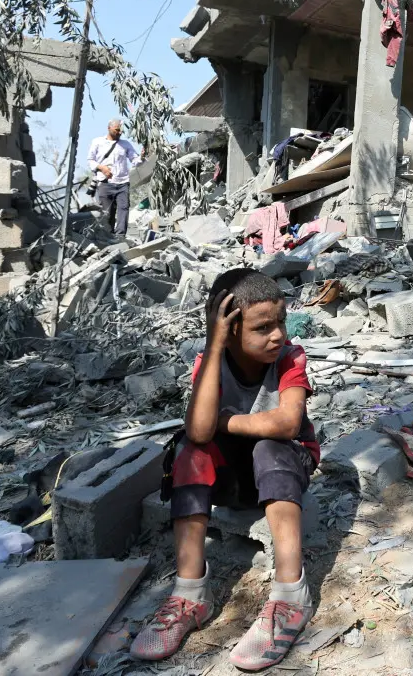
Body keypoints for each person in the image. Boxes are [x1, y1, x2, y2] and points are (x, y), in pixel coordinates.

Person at [132, 269, 318, 670]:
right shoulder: (210, 362)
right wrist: (213, 349)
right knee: (188, 450)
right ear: (230, 332)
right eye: (263, 327)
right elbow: (198, 431)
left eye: (281, 321)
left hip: (284, 467)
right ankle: (191, 593)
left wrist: (227, 421)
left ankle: (291, 596)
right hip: (233, 478)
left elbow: (286, 424)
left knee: (271, 446)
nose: (278, 335)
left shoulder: (289, 358)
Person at [87, 119, 142, 237]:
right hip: (105, 183)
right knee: (107, 213)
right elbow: (90, 160)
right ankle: (108, 236)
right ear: (109, 128)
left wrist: (143, 156)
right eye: (117, 130)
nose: (119, 133)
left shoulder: (125, 144)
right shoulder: (97, 142)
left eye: (121, 131)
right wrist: (101, 168)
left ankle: (120, 236)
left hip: (122, 183)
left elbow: (135, 160)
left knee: (124, 208)